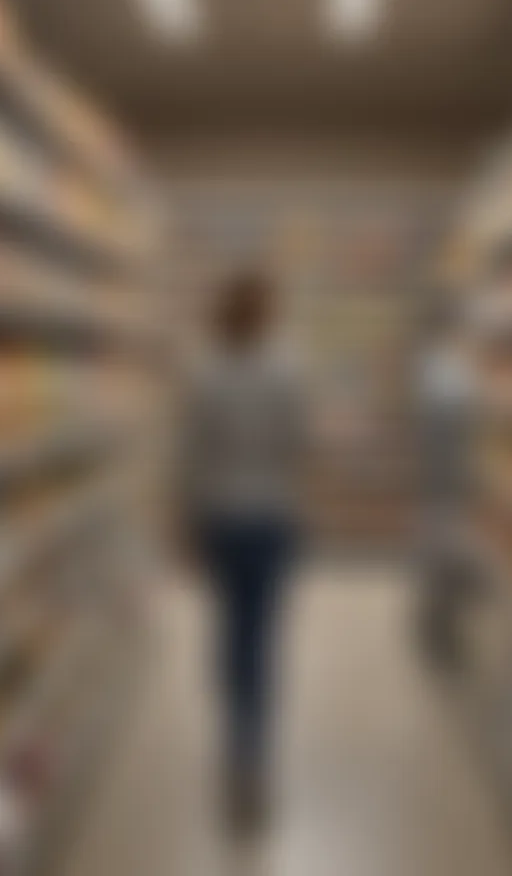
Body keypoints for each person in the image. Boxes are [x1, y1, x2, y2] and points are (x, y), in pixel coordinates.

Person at [181, 271, 306, 831]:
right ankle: (253, 750)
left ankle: (235, 737)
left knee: (228, 633)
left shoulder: (204, 372)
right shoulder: (290, 369)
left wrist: (185, 525)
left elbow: (192, 456)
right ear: (268, 311)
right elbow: (300, 446)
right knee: (263, 637)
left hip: (221, 521)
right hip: (273, 519)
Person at [414, 296, 477, 672]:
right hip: (448, 479)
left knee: (435, 549)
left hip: (438, 478)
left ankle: (434, 622)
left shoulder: (434, 367)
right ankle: (439, 627)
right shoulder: (450, 371)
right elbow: (453, 420)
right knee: (443, 550)